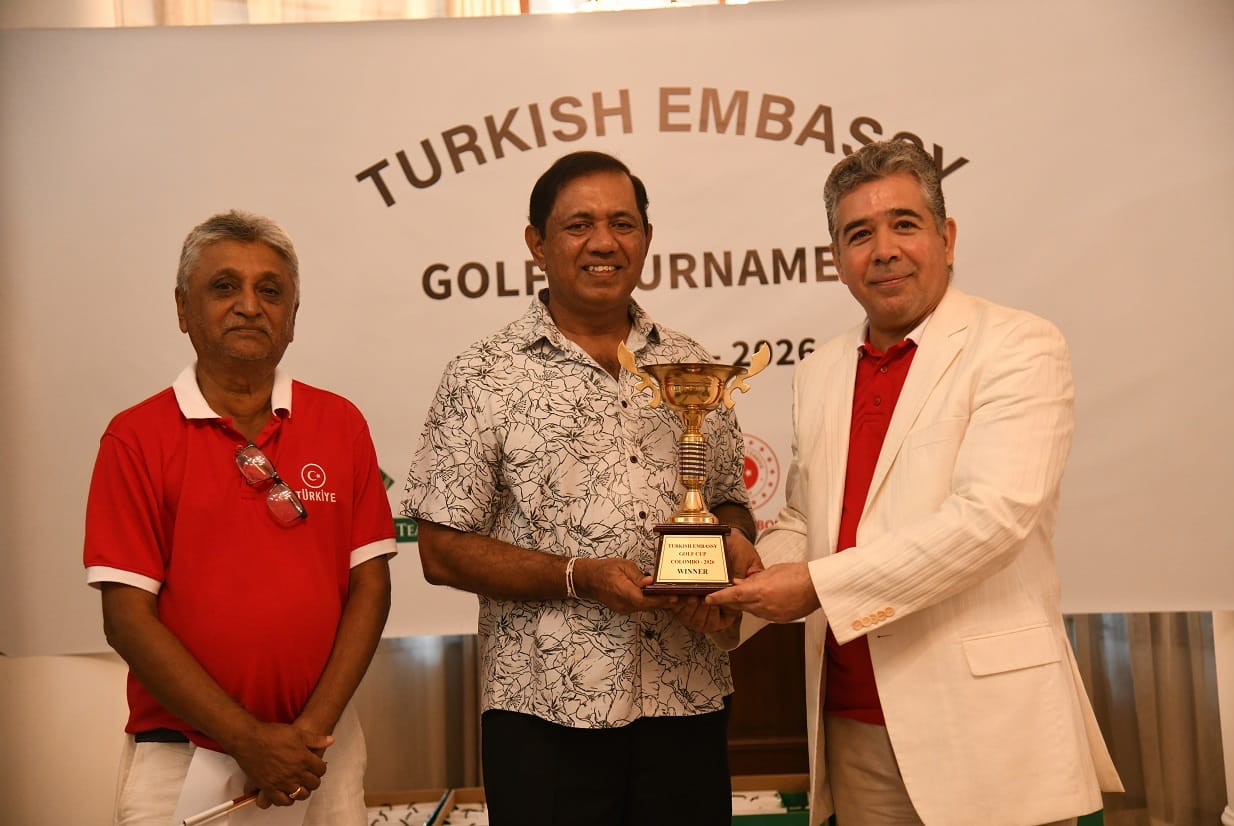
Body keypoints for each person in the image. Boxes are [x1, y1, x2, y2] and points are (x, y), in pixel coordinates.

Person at [707, 140, 1123, 826]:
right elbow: (809, 522)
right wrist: (737, 593)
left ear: (946, 237)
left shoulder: (1018, 345)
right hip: (852, 724)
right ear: (836, 258)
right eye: (858, 234)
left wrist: (816, 587)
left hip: (988, 725)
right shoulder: (820, 370)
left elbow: (989, 521)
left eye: (904, 224)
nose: (884, 250)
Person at [403, 150, 759, 826]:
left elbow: (723, 497)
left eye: (622, 223)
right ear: (536, 244)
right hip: (544, 713)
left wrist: (733, 544)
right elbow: (441, 550)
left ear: (647, 239)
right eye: (578, 225)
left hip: (684, 695)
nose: (603, 242)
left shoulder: (690, 365)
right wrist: (579, 577)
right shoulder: (482, 374)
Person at [83, 210, 395, 825]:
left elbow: (371, 587)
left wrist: (308, 733)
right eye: (225, 287)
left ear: (293, 316)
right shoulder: (135, 438)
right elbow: (126, 618)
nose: (250, 306)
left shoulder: (340, 423)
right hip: (181, 759)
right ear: (183, 309)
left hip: (320, 753)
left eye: (270, 291)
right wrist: (249, 739)